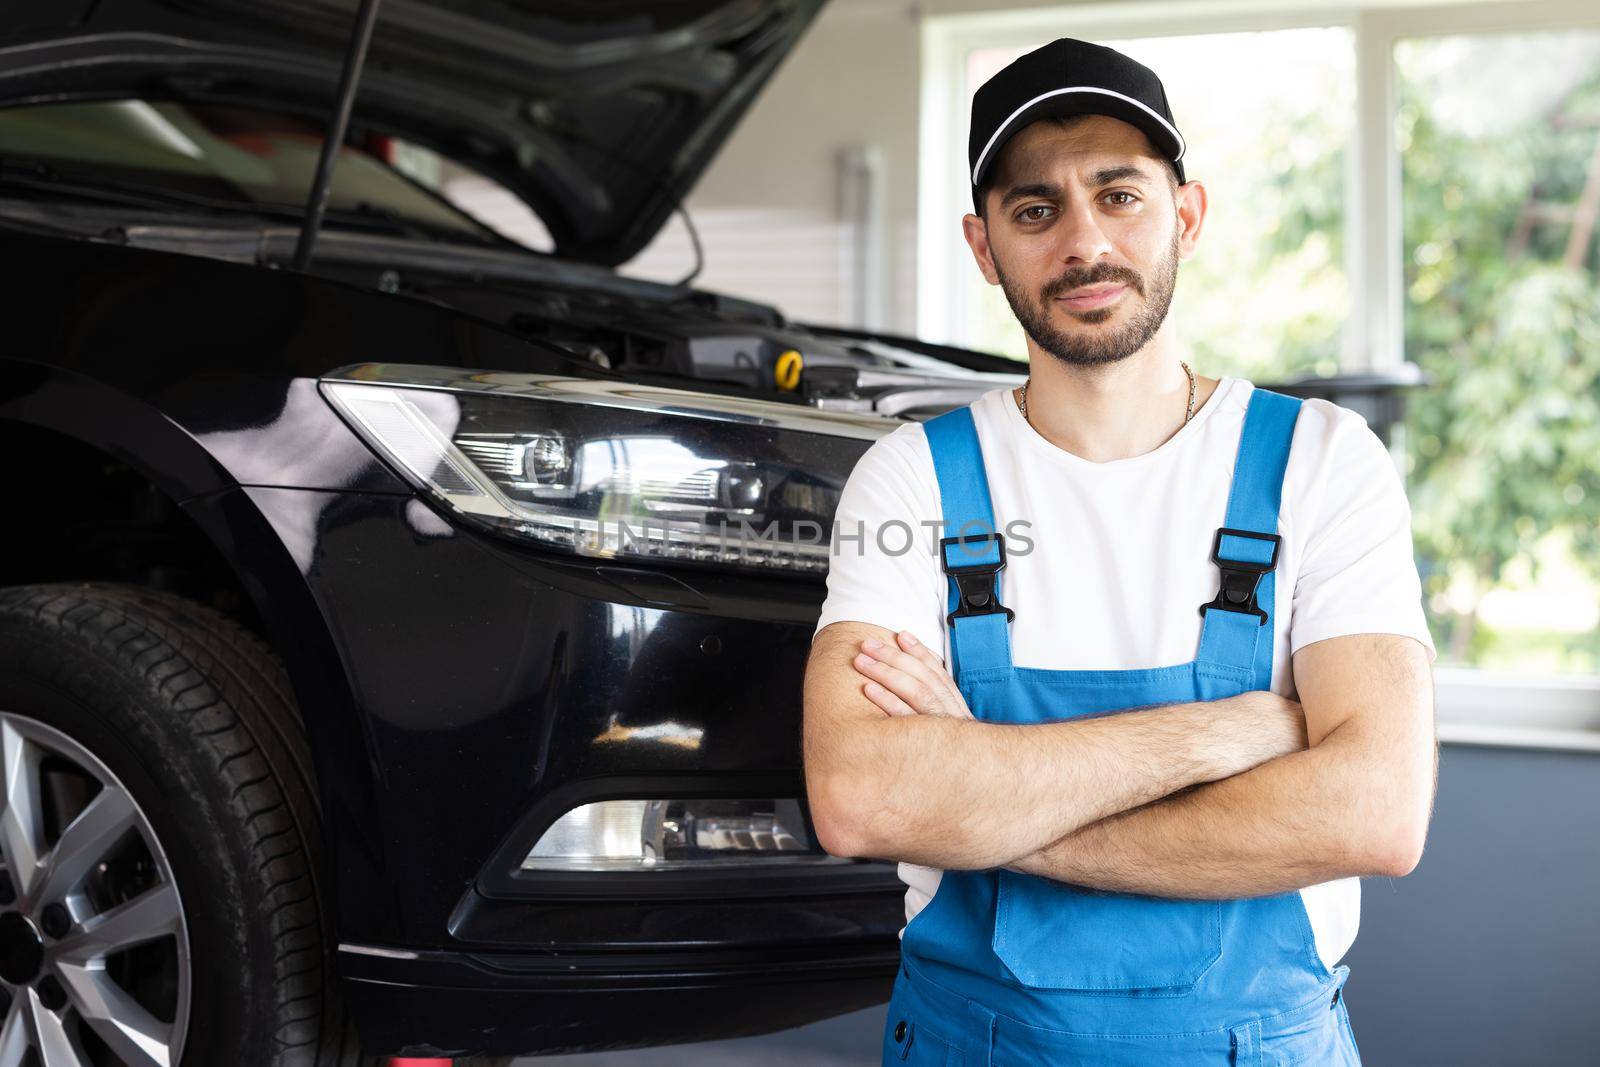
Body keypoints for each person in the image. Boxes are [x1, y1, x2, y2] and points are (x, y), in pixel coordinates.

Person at [801, 37, 1437, 1066]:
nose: (1082, 242)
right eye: (1035, 208)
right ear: (982, 245)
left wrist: (987, 807)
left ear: (1185, 213)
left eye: (1119, 194)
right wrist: (1219, 736)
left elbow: (1374, 809)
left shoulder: (1319, 462)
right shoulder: (911, 478)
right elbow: (862, 797)